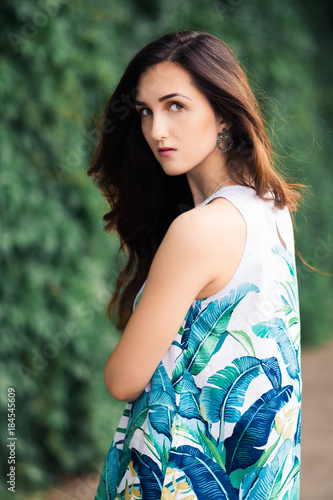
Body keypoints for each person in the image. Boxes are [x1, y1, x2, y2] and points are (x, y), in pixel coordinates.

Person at [88, 29, 302, 500]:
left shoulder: (199, 230)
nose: (156, 130)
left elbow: (122, 378)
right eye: (145, 111)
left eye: (175, 106)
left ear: (223, 112)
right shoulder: (272, 209)